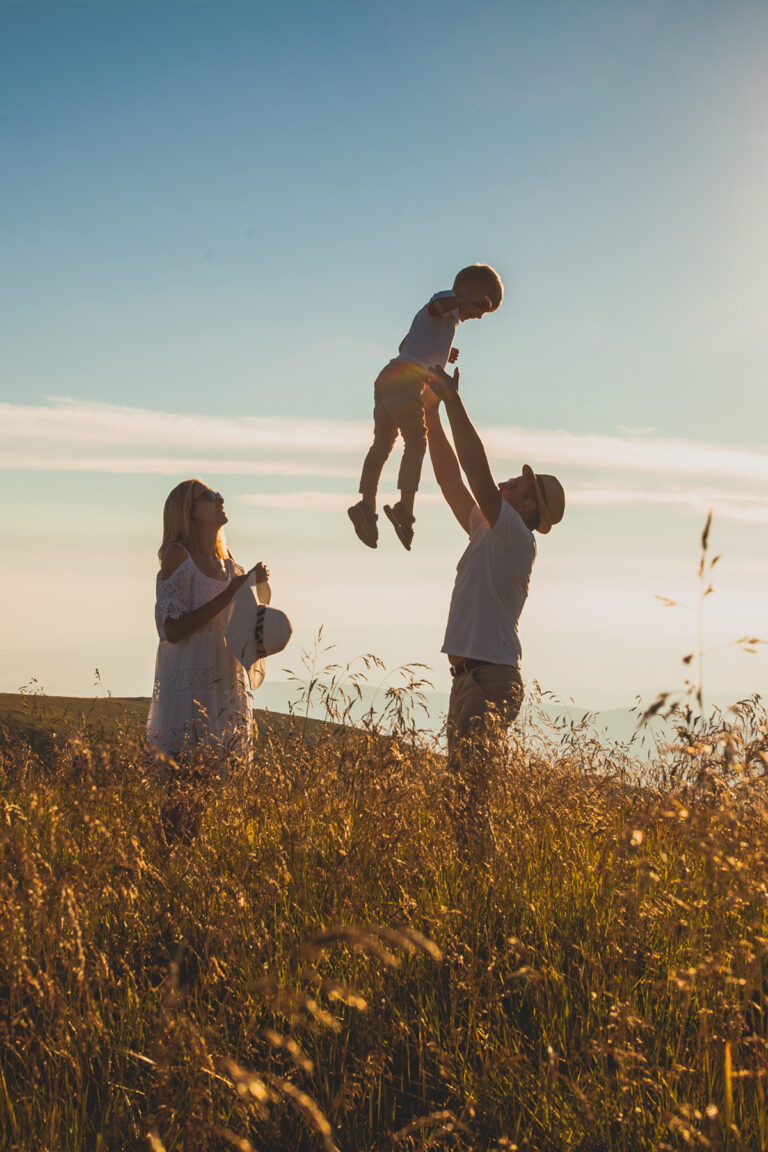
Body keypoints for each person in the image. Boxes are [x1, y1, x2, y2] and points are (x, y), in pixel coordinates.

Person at [422, 365, 565, 834]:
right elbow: (450, 479)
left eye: (517, 486)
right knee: (462, 801)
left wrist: (453, 401)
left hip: (488, 679)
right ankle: (473, 874)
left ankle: (480, 876)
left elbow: (475, 470)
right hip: (473, 678)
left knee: (468, 803)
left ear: (527, 508)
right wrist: (431, 414)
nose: (507, 482)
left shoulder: (516, 536)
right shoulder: (489, 528)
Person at [348, 264, 504, 552]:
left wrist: (441, 350)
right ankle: (405, 509)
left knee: (382, 445)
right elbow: (438, 306)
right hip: (405, 382)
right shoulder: (444, 301)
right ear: (470, 292)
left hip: (389, 376)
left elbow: (405, 345)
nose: (479, 314)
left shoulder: (442, 322)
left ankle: (366, 506)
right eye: (481, 306)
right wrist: (464, 301)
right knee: (416, 441)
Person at [147, 479, 269, 761]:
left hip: (226, 684)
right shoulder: (179, 556)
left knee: (225, 774)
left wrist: (254, 588)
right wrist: (229, 594)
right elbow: (172, 630)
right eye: (210, 496)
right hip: (190, 686)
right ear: (189, 511)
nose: (220, 499)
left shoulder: (229, 564)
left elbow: (239, 624)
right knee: (187, 772)